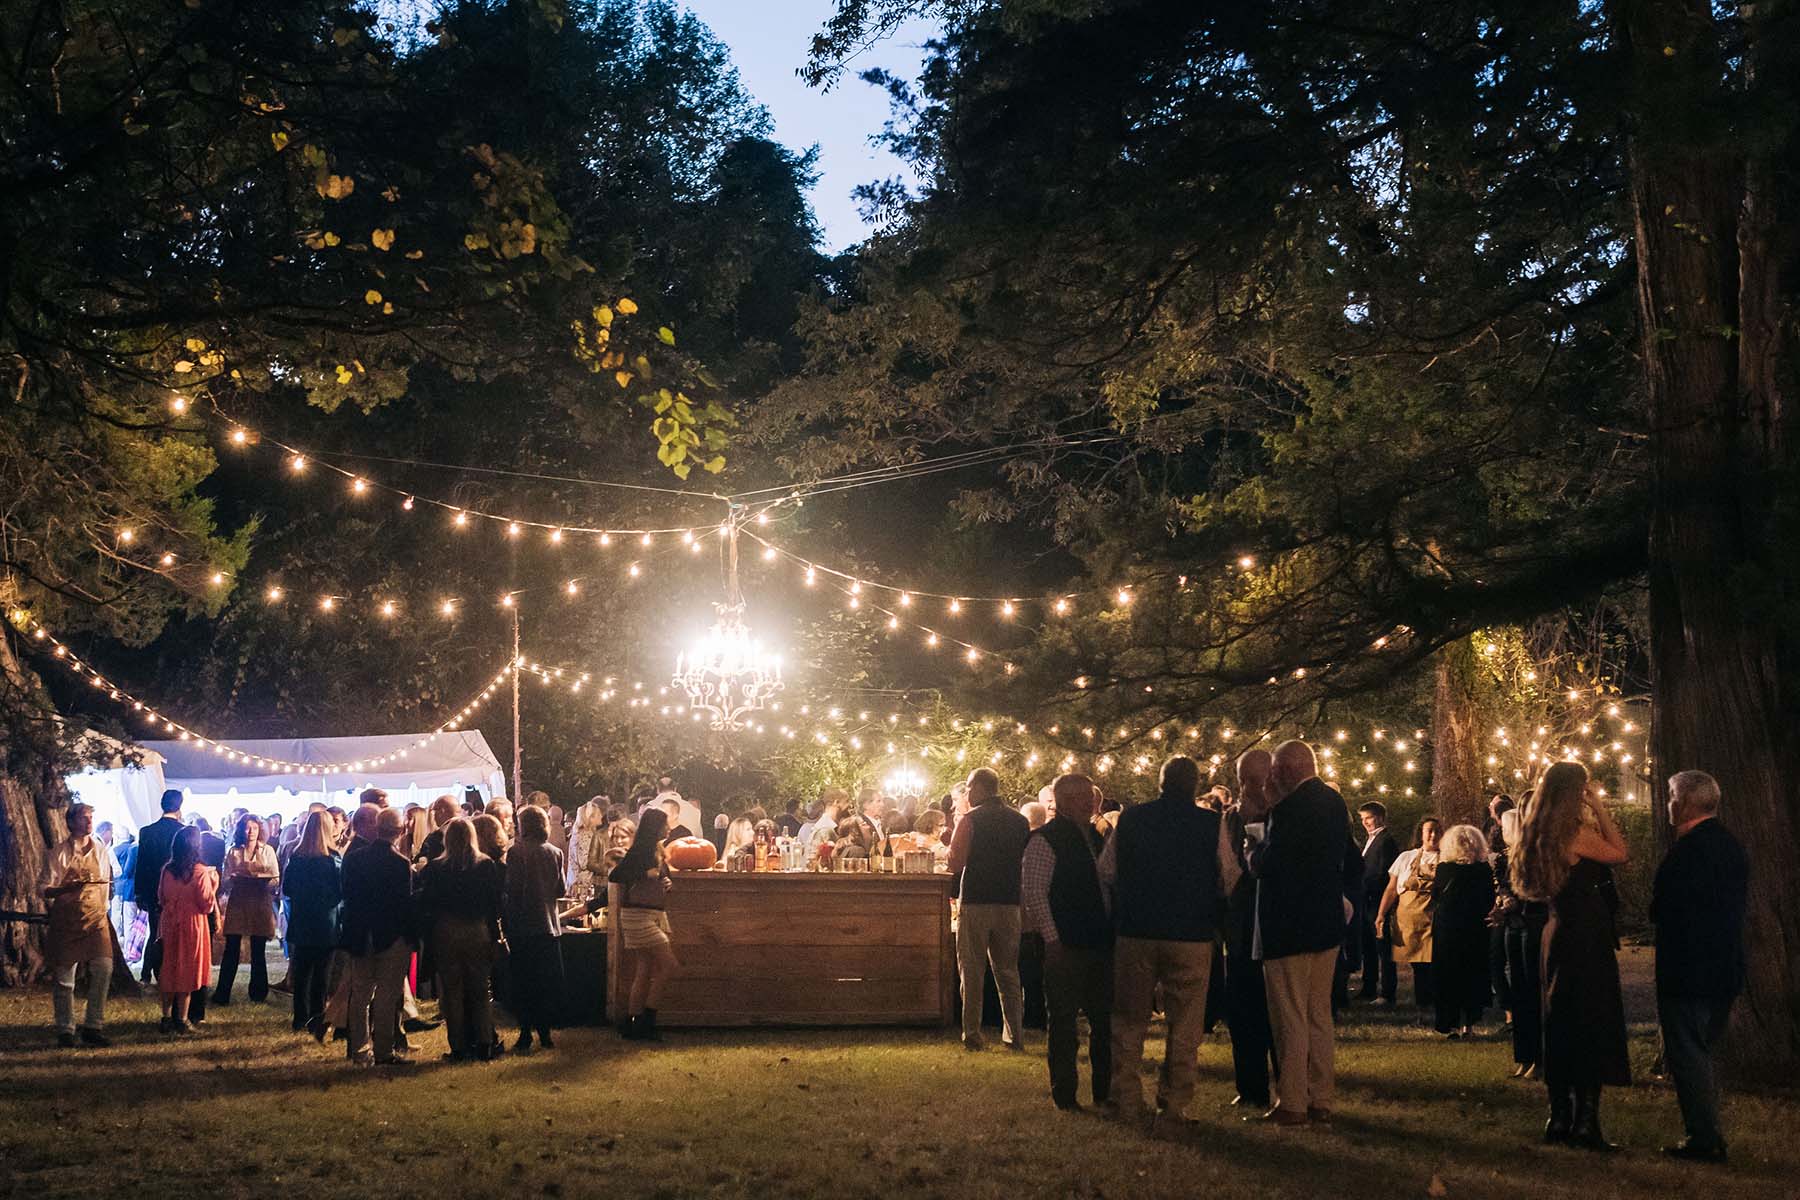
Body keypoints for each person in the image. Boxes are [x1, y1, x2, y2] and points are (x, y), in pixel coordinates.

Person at [1098, 755, 1240, 1124]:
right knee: (1186, 1024)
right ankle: (1174, 1103)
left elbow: (1107, 871)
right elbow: (1228, 877)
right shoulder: (1211, 823)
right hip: (1190, 933)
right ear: (1194, 786)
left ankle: (1126, 1097)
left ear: (1160, 783)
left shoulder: (1131, 819)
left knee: (1129, 1020)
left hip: (1136, 931)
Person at [1511, 760, 1629, 1150]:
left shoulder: (1535, 833)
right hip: (1585, 935)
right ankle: (1586, 1122)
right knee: (1591, 1018)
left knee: (1558, 1020)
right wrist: (1599, 809)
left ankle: (1558, 1115)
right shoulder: (1575, 835)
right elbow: (1619, 852)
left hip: (1554, 930)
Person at [1651, 770, 1748, 1164]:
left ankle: (1704, 1136)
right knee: (1703, 1049)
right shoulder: (1730, 846)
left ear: (1687, 802)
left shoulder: (1687, 851)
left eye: (1672, 796)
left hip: (1688, 968)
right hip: (1723, 965)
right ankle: (1705, 1131)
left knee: (1689, 1054)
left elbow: (1666, 907)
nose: (1668, 803)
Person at [1251, 740, 1350, 1127]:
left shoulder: (1290, 809)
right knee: (1318, 1014)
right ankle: (1321, 1098)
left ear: (1290, 769)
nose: (1272, 777)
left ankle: (1292, 1100)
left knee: (1289, 1014)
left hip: (1289, 925)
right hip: (1324, 922)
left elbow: (1272, 862)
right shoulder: (1333, 802)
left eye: (1276, 770)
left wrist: (1253, 851)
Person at [1020, 774, 1111, 1111]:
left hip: (1098, 940)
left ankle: (1105, 1091)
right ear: (1065, 800)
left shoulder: (1094, 836)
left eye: (1090, 796)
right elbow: (1035, 892)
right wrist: (1052, 940)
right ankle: (1065, 1093)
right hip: (1066, 943)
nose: (1091, 802)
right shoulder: (1045, 840)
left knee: (1103, 1020)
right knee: (1063, 1021)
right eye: (1083, 797)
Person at [947, 767, 1031, 1052]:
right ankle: (1015, 1034)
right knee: (1008, 971)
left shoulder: (971, 820)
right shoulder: (1020, 821)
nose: (967, 793)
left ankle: (972, 1033)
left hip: (977, 900)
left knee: (972, 970)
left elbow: (956, 862)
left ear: (980, 788)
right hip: (1009, 902)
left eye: (969, 787)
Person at [417, 817, 504, 1061]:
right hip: (477, 930)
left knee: (452, 991)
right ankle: (485, 1042)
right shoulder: (485, 865)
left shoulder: (436, 867)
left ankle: (458, 1046)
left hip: (446, 930)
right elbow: (494, 904)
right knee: (480, 989)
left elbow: (428, 902)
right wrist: (496, 934)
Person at [340, 807, 416, 1066]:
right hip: (390, 934)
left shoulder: (354, 859)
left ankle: (359, 1050)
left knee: (360, 993)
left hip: (361, 931)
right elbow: (404, 904)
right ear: (399, 831)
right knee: (386, 994)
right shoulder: (400, 863)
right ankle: (384, 1049)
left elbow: (347, 894)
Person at [1225, 751, 1277, 1111]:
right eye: (1243, 780)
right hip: (1241, 926)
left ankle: (1290, 1085)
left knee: (1279, 1011)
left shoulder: (1285, 816)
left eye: (1255, 780)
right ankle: (1250, 1088)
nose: (1248, 787)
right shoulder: (1230, 819)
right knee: (1243, 1011)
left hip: (1276, 926)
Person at [41, 803, 117, 1047]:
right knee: (65, 977)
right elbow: (44, 887)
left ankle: (93, 1025)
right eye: (84, 818)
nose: (89, 822)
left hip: (96, 918)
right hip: (67, 919)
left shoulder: (100, 850)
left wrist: (104, 907)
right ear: (71, 822)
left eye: (91, 817)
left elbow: (105, 881)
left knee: (103, 968)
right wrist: (66, 889)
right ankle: (65, 1029)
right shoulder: (59, 853)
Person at [610, 807, 678, 1041]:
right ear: (655, 827)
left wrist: (665, 881)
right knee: (669, 965)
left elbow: (660, 876)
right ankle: (647, 1021)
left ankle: (633, 1021)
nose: (669, 828)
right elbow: (616, 875)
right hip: (638, 914)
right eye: (665, 824)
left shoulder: (658, 850)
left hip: (653, 913)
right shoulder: (640, 851)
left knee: (645, 968)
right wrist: (644, 874)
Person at [504, 805, 567, 1053]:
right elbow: (560, 890)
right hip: (549, 926)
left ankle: (524, 1033)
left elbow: (513, 888)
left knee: (523, 982)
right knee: (544, 982)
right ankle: (545, 1033)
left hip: (523, 926)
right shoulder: (554, 852)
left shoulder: (517, 853)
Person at [1430, 824, 1495, 1038]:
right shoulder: (1483, 869)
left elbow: (1436, 896)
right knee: (1473, 974)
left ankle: (1451, 1024)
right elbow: (1488, 898)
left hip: (1448, 928)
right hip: (1475, 928)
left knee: (1448, 974)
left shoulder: (1444, 869)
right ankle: (1469, 1023)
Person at [283, 811, 342, 1037]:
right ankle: (317, 1017)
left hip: (301, 920)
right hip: (326, 923)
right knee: (322, 974)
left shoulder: (297, 858)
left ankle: (299, 1017)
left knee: (302, 972)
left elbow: (287, 889)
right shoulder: (333, 860)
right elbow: (340, 891)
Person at [155, 826, 217, 1034]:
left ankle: (166, 1016)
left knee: (169, 966)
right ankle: (182, 1018)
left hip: (170, 922)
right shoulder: (199, 871)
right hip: (192, 923)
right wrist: (214, 885)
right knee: (187, 969)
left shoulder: (167, 870)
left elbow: (161, 898)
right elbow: (206, 903)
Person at [214, 814, 280, 1004]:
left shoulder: (268, 851)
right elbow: (225, 880)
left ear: (260, 830)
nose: (251, 832)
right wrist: (234, 879)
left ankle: (259, 993)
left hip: (260, 902)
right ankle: (223, 993)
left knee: (258, 949)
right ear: (241, 830)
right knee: (232, 948)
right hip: (239, 902)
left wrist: (264, 881)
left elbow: (276, 878)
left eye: (254, 828)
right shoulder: (233, 852)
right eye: (247, 828)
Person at [1378, 818, 1441, 1009]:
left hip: (1433, 918)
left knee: (1432, 963)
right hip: (1409, 920)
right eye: (1429, 830)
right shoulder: (1406, 857)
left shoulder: (1447, 859)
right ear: (1421, 834)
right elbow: (1391, 889)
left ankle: (1432, 1002)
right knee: (1418, 964)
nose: (1433, 835)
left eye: (1437, 831)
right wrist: (1381, 914)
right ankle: (1423, 1004)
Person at [134, 789, 185, 983]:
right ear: (179, 805)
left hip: (152, 890)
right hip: (176, 890)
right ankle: (162, 971)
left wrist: (139, 892)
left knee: (155, 931)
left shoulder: (147, 831)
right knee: (170, 934)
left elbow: (142, 864)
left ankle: (148, 972)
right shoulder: (182, 831)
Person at [1356, 801, 1400, 1004]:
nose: (1366, 823)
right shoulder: (1370, 840)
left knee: (1382, 946)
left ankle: (1387, 991)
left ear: (1380, 817)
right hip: (1367, 899)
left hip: (1378, 898)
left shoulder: (1386, 841)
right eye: (1363, 819)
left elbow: (1384, 872)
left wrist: (1367, 886)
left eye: (1369, 818)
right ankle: (1369, 985)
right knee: (1368, 945)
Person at [415, 794, 460, 864]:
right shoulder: (473, 830)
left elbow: (422, 862)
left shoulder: (434, 838)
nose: (433, 816)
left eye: (434, 811)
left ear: (442, 811)